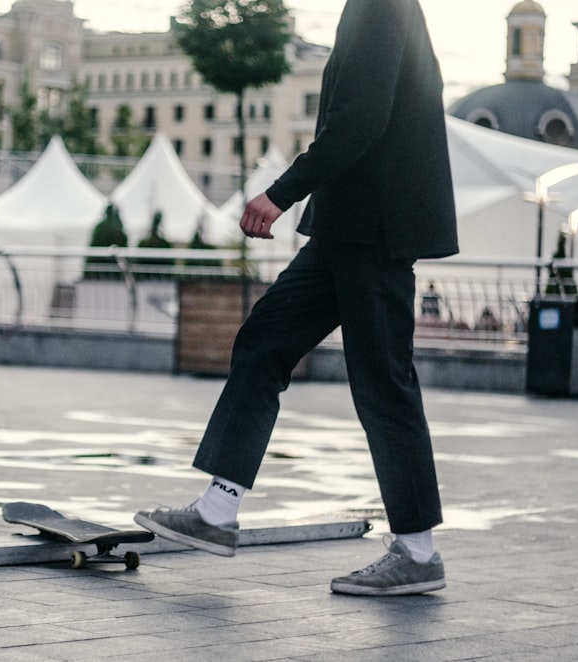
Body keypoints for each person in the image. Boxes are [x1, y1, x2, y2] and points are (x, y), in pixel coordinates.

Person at [134, 0, 459, 597]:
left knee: (383, 381)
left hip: (376, 229)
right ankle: (218, 509)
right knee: (263, 343)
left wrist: (279, 194)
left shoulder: (381, 6)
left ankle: (417, 550)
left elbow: (362, 118)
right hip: (343, 227)